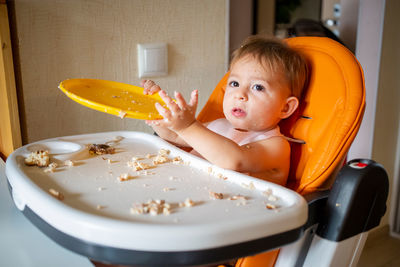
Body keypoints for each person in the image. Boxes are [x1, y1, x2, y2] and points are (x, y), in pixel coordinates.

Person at [142, 35, 308, 186]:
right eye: (235, 84)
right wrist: (156, 109)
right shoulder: (219, 125)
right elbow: (176, 136)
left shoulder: (276, 146)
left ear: (285, 107)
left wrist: (189, 126)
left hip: (241, 214)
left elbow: (234, 160)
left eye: (258, 87)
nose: (240, 94)